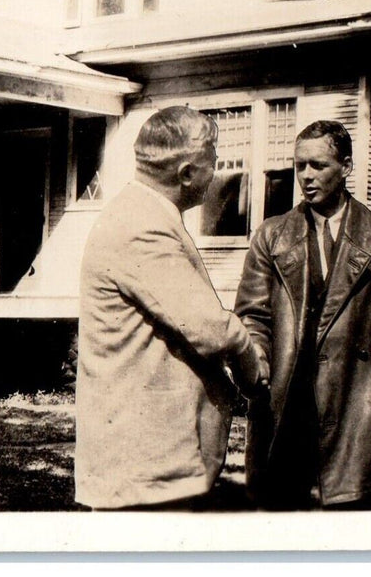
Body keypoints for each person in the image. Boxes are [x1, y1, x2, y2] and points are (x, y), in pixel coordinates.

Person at [75, 105, 268, 511]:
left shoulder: (146, 214)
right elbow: (210, 328)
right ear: (186, 174)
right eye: (213, 162)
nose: (216, 173)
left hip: (152, 461)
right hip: (147, 467)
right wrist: (253, 367)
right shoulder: (140, 226)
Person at [235, 119, 371, 510]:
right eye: (299, 165)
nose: (305, 176)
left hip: (355, 417)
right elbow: (253, 317)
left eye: (318, 165)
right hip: (284, 417)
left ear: (346, 167)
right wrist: (257, 368)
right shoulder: (271, 236)